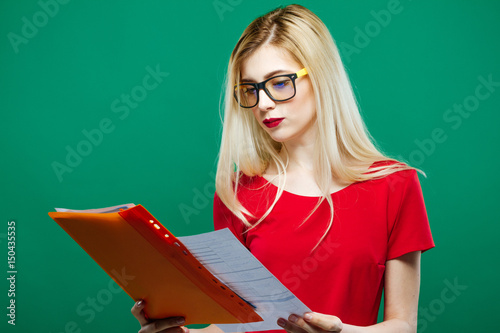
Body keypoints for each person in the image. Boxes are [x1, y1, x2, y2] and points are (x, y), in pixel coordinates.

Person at [132, 4, 435, 333]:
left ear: (320, 77)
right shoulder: (238, 193)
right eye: (251, 89)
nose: (263, 104)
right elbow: (235, 324)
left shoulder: (395, 185)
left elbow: (403, 325)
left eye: (278, 83)